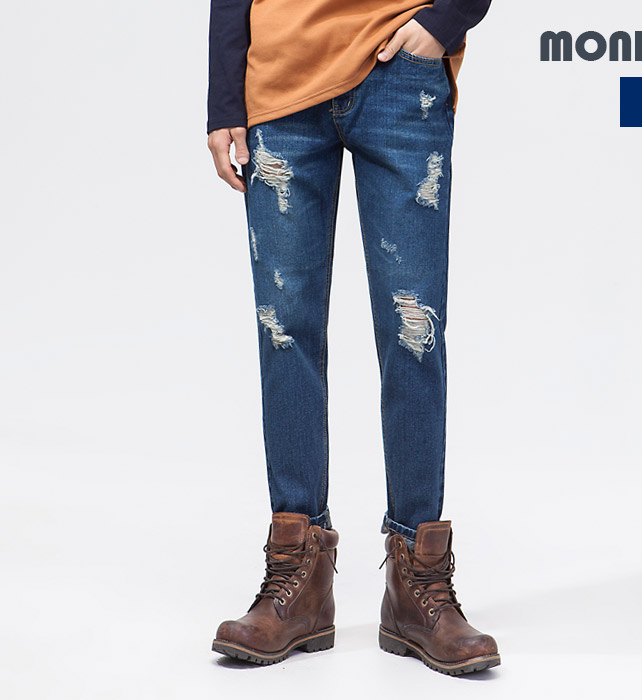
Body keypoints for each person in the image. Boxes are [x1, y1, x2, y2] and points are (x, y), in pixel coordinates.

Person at [206, 0, 499, 676]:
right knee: (286, 330)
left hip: (399, 73)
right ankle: (298, 572)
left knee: (413, 331)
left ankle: (418, 577)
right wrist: (223, 98)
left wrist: (449, 19)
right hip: (279, 80)